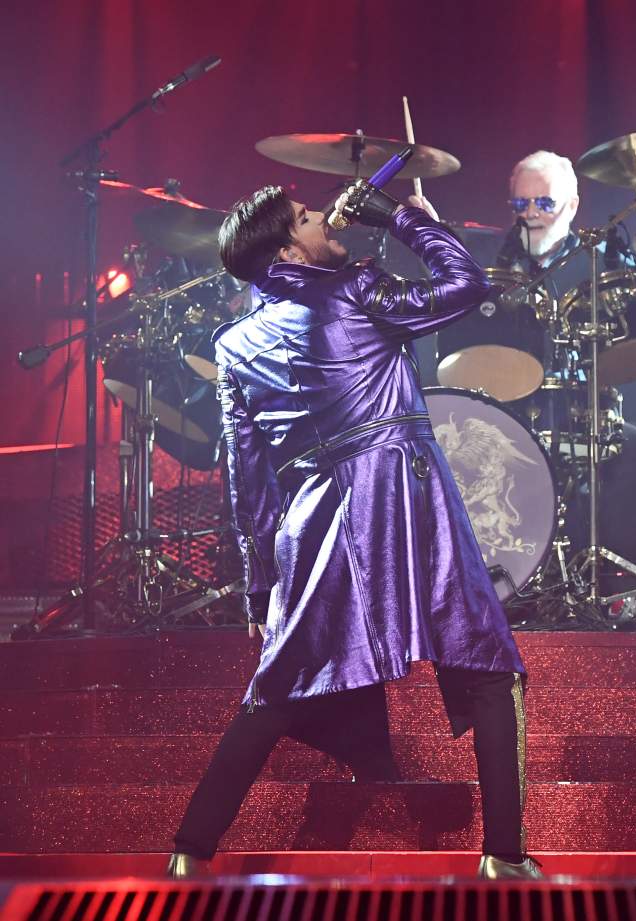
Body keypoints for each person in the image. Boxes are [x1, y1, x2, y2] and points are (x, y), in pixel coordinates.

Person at [165, 176, 540, 880]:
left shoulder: (236, 343)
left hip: (314, 519)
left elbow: (248, 480)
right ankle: (505, 857)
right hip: (404, 496)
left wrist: (260, 590)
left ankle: (189, 847)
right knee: (491, 669)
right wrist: (402, 218)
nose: (325, 222)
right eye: (310, 218)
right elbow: (466, 285)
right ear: (288, 248)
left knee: (277, 686)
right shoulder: (352, 290)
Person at [496, 150, 636, 578]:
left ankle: (622, 588)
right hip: (512, 412)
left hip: (584, 409)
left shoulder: (603, 256)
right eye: (522, 203)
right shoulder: (495, 260)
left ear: (572, 206)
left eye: (544, 203)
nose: (531, 213)